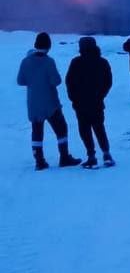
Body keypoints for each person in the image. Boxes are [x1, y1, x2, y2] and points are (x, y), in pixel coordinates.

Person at [17, 32, 81, 170]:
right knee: (61, 129)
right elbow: (56, 81)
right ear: (48, 46)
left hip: (33, 104)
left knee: (37, 131)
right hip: (50, 103)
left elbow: (20, 81)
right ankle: (64, 157)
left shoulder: (25, 61)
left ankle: (39, 161)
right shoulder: (48, 61)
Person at [65, 37, 115, 168]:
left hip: (80, 103)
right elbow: (108, 82)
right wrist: (101, 95)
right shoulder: (102, 62)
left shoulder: (76, 62)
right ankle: (106, 154)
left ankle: (91, 156)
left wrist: (73, 98)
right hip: (97, 101)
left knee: (85, 129)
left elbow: (69, 82)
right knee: (99, 127)